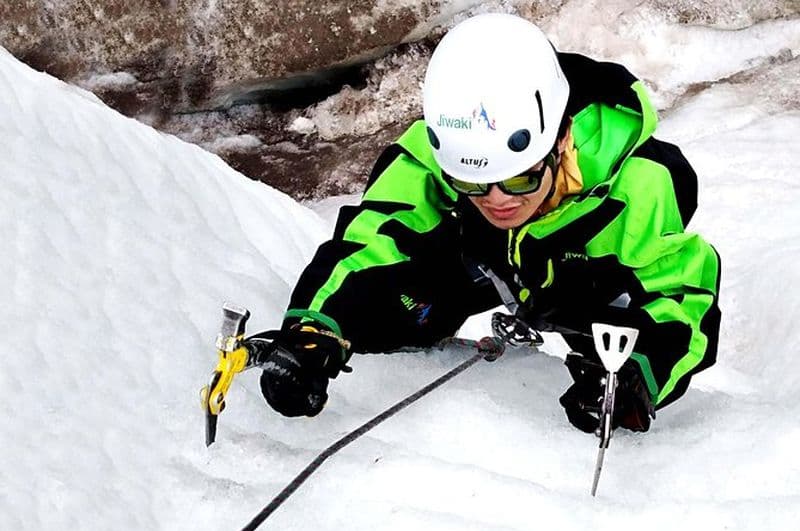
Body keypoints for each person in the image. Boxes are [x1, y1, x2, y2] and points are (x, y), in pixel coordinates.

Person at [242, 13, 721, 434]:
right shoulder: (436, 152)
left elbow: (682, 296)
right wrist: (314, 330)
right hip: (486, 263)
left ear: (560, 141)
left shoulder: (637, 186)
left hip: (588, 281)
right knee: (389, 311)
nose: (497, 201)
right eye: (472, 182)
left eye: (519, 178)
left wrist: (640, 375)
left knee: (620, 353)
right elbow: (374, 237)